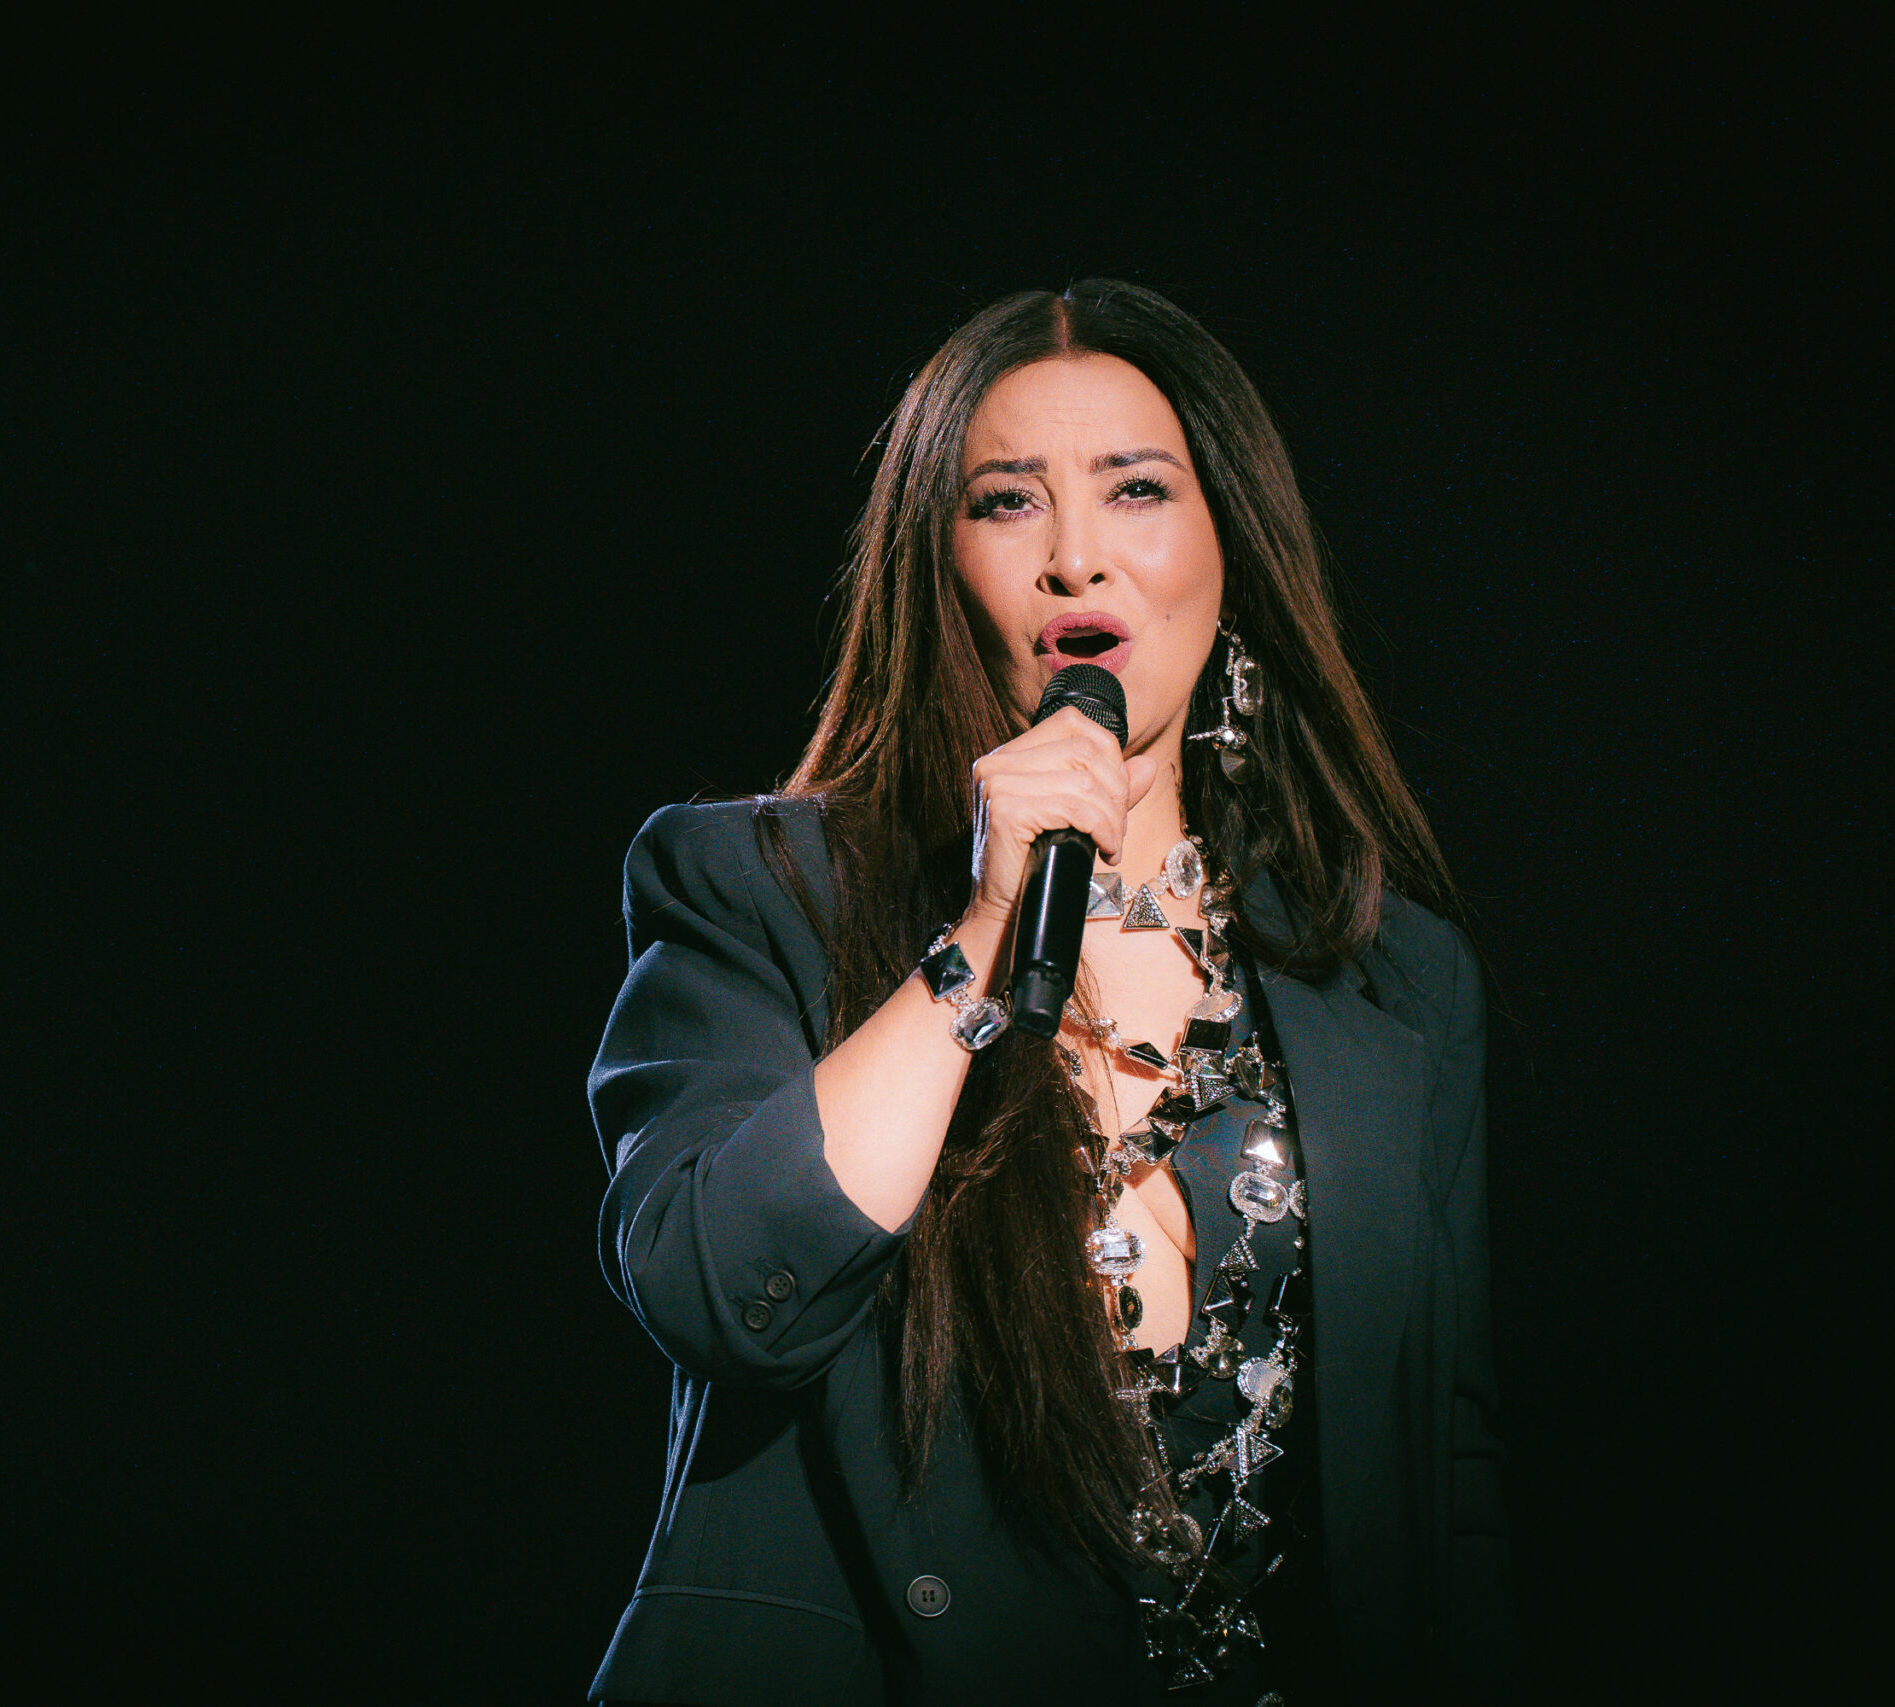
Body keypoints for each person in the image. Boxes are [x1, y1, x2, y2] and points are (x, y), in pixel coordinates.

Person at [587, 282, 1513, 1705]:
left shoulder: (1394, 978)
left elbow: (1445, 1479)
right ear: (936, 565)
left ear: (1229, 548)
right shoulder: (757, 891)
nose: (1078, 558)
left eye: (1137, 490)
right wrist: (978, 937)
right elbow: (719, 1290)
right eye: (1009, 503)